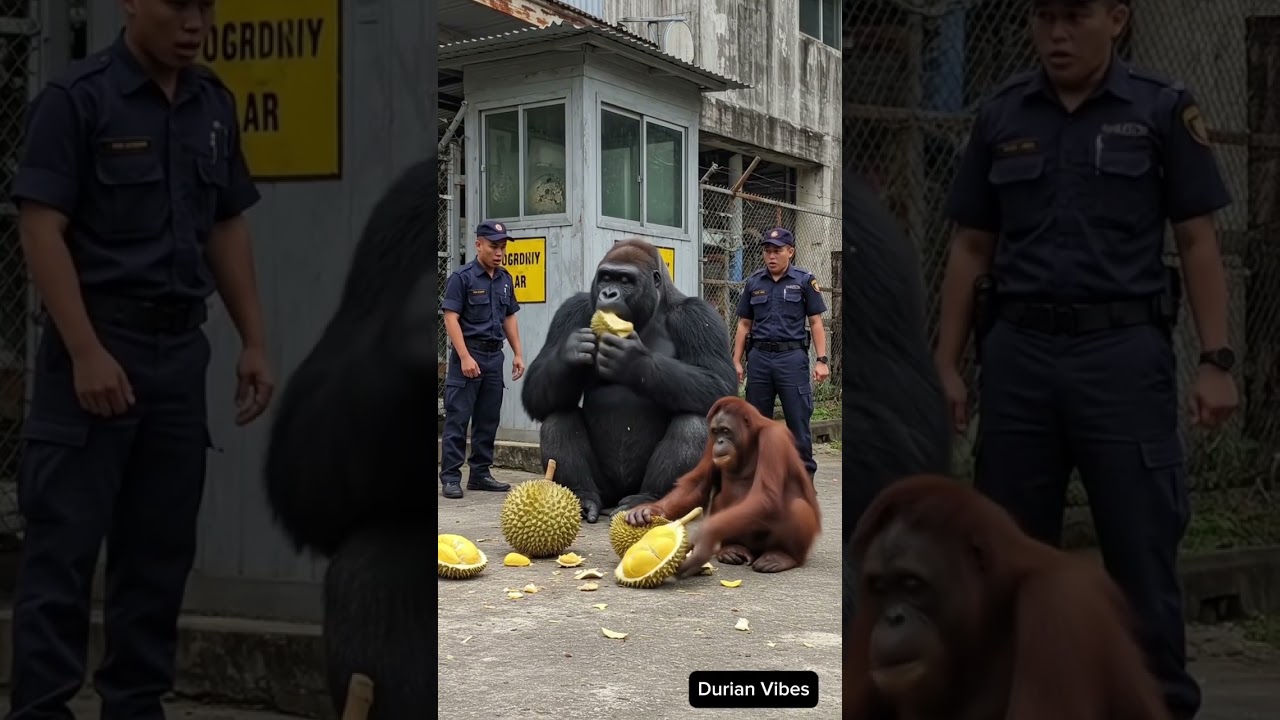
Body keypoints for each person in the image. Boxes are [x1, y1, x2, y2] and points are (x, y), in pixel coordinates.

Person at [934, 1, 1237, 718]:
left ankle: (1155, 703)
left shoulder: (1161, 109)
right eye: (1044, 18)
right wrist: (945, 362)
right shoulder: (1002, 114)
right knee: (1005, 551)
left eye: (1075, 17)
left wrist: (1217, 360)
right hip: (1020, 359)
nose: (1057, 34)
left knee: (1141, 551)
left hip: (1122, 359)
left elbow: (1197, 240)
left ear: (1117, 18)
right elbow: (971, 246)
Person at [6, 1, 274, 717]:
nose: (194, 23)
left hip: (178, 358)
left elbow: (225, 224)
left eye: (205, 7)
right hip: (94, 352)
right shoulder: (77, 100)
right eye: (176, 5)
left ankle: (134, 706)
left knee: (156, 561)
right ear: (130, 2)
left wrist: (253, 341)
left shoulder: (212, 104)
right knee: (62, 557)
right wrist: (85, 351)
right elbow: (40, 228)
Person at [732, 227, 830, 479]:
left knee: (797, 422)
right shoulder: (754, 282)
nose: (771, 256)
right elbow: (744, 324)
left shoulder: (804, 281)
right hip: (760, 359)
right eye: (767, 251)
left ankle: (802, 481)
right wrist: (736, 361)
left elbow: (816, 322)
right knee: (755, 422)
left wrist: (821, 360)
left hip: (792, 360)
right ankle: (756, 479)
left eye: (777, 251)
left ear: (790, 252)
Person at [439, 221, 526, 499]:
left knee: (488, 419)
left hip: (493, 357)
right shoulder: (462, 278)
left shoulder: (505, 279)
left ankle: (480, 474)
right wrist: (464, 356)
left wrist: (518, 353)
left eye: (503, 247)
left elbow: (509, 316)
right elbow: (450, 318)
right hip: (468, 356)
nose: (499, 253)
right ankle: (451, 477)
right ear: (478, 245)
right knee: (458, 419)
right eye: (493, 247)